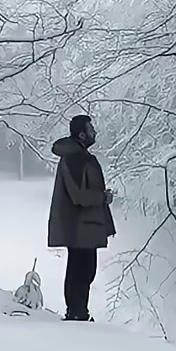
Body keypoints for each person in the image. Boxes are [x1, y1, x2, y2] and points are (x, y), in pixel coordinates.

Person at [47, 114, 116, 321]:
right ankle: (76, 314)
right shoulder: (76, 158)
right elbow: (78, 195)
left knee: (85, 270)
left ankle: (79, 312)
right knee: (80, 270)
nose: (95, 132)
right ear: (82, 133)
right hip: (80, 226)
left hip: (84, 225)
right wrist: (102, 197)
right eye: (91, 128)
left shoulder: (78, 156)